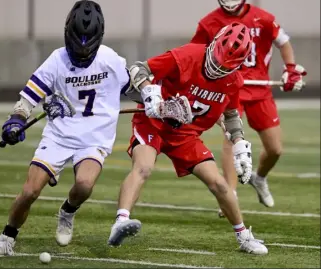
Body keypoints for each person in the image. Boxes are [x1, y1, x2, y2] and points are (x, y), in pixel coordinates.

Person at [107, 22, 268, 255]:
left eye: (223, 67)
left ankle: (244, 236)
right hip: (153, 122)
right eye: (215, 60)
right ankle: (120, 222)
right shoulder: (188, 55)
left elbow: (230, 115)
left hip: (185, 134)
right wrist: (150, 94)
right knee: (143, 168)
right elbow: (139, 69)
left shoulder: (233, 81)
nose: (216, 69)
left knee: (220, 184)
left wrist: (240, 143)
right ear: (213, 44)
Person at [0, 0, 132, 256]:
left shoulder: (111, 60)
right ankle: (7, 237)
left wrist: (156, 102)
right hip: (59, 135)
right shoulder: (57, 59)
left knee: (85, 185)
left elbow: (135, 88)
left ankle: (67, 211)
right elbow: (29, 97)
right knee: (30, 191)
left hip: (94, 138)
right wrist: (16, 119)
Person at [191, 0, 307, 214]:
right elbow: (193, 53)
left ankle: (260, 178)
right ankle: (230, 192)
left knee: (275, 148)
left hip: (260, 90)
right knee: (230, 139)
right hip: (229, 88)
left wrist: (290, 69)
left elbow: (283, 41)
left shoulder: (262, 18)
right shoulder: (209, 23)